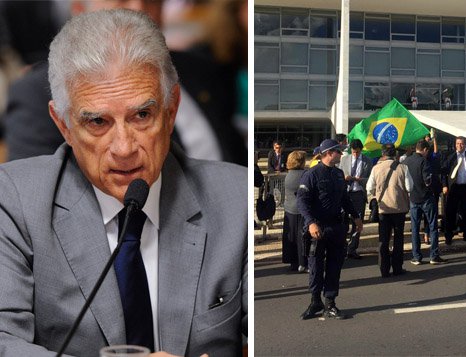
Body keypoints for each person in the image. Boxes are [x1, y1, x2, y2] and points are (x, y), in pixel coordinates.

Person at [0, 9, 247, 355]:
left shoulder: (236, 197)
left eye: (142, 115)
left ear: (171, 109)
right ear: (64, 125)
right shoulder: (13, 200)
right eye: (98, 122)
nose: (124, 148)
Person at [2, 1, 245, 165]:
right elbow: (37, 199)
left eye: (151, 0)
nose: (139, 9)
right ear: (78, 9)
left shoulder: (203, 69)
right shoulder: (37, 93)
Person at [299, 139, 363, 320]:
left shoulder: (338, 173)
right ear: (328, 153)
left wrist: (356, 217)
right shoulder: (311, 174)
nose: (341, 155)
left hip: (336, 227)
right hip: (317, 228)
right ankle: (315, 301)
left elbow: (345, 198)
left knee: (335, 265)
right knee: (315, 267)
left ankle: (330, 303)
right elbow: (302, 202)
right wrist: (311, 222)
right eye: (338, 152)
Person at [367, 143, 413, 278]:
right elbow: (409, 187)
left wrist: (376, 196)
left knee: (384, 240)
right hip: (399, 208)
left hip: (383, 208)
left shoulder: (376, 168)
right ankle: (397, 267)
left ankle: (384, 269)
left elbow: (369, 187)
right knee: (398, 239)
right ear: (395, 154)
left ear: (383, 154)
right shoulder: (403, 167)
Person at [404, 140, 446, 265]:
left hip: (413, 197)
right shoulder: (424, 161)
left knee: (415, 228)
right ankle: (434, 255)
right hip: (426, 197)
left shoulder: (406, 161)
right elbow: (427, 180)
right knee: (433, 226)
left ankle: (416, 256)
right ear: (425, 150)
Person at [441, 136, 466, 245]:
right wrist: (444, 185)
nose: (459, 146)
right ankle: (449, 235)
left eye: (461, 144)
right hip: (453, 188)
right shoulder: (450, 156)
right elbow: (444, 171)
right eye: (457, 143)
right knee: (450, 212)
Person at [343, 139, 371, 260]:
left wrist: (359, 179)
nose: (355, 154)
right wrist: (345, 178)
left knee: (357, 222)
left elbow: (370, 179)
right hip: (345, 193)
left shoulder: (367, 161)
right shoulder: (344, 160)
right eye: (354, 152)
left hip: (359, 193)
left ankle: (352, 248)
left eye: (357, 152)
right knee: (343, 221)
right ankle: (342, 247)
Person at [283, 150, 309, 272]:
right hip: (301, 210)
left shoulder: (289, 174)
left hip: (289, 208)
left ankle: (293, 262)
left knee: (291, 236)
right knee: (302, 237)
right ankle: (303, 262)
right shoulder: (304, 174)